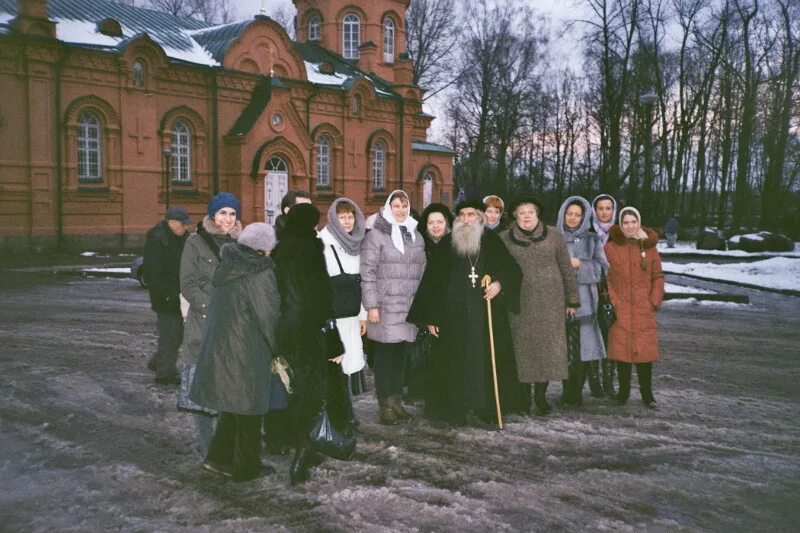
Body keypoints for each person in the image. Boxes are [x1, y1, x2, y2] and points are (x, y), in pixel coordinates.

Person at [409, 200, 524, 425]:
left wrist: (499, 284)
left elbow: (512, 270)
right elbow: (432, 283)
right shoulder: (447, 244)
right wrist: (431, 317)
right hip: (453, 317)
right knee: (453, 362)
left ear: (480, 217)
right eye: (462, 215)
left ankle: (485, 408)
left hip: (484, 315)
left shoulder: (492, 241)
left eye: (471, 215)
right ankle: (454, 410)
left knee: (484, 360)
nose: (466, 219)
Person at [189, 223, 280, 481]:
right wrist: (278, 347)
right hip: (247, 348)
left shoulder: (227, 265)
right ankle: (247, 467)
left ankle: (218, 458)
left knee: (233, 404)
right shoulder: (260, 273)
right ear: (263, 249)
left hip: (223, 345)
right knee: (250, 407)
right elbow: (268, 316)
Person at [272, 203, 349, 485]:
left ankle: (288, 440)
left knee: (289, 387)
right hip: (308, 330)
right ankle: (304, 450)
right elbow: (319, 293)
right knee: (311, 389)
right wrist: (333, 338)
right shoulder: (311, 248)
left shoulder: (280, 250)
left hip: (285, 330)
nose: (318, 228)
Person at [500, 195, 580, 416]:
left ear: (537, 215)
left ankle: (540, 397)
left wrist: (572, 300)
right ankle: (524, 398)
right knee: (523, 351)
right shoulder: (504, 238)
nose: (526, 216)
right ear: (515, 216)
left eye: (531, 212)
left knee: (546, 351)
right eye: (522, 212)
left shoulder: (554, 235)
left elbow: (566, 268)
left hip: (550, 303)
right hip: (519, 304)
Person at [179, 192, 241, 455]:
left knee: (230, 390)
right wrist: (213, 306)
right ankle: (208, 449)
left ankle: (225, 446)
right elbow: (188, 284)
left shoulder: (241, 244)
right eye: (222, 213)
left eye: (232, 213)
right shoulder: (196, 243)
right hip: (203, 326)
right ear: (212, 215)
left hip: (233, 328)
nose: (227, 219)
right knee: (203, 391)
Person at [360, 190, 426, 425]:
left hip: (408, 307)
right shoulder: (375, 235)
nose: (400, 210)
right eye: (396, 205)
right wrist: (371, 306)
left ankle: (396, 402)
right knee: (385, 358)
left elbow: (422, 270)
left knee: (400, 357)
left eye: (404, 205)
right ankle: (385, 405)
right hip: (385, 307)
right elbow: (366, 273)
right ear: (388, 207)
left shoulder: (415, 235)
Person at [604, 207, 664, 408]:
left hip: (643, 308)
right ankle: (623, 392)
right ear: (621, 225)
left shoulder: (649, 248)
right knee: (621, 354)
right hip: (619, 307)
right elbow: (606, 278)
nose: (630, 226)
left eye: (633, 222)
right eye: (626, 222)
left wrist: (654, 300)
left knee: (644, 354)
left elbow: (658, 276)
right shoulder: (610, 248)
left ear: (639, 223)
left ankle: (648, 395)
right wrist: (612, 299)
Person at [556, 196, 609, 405]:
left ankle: (575, 391)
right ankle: (565, 388)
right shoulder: (554, 237)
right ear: (563, 213)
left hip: (585, 302)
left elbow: (602, 269)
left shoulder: (592, 239)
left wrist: (579, 264)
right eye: (569, 213)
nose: (573, 218)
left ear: (584, 216)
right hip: (558, 301)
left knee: (582, 348)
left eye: (577, 214)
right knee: (563, 348)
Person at [318, 198, 369, 402]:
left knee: (351, 363)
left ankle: (347, 413)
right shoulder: (323, 243)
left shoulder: (358, 243)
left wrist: (363, 315)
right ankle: (333, 418)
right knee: (334, 364)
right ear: (333, 218)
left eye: (350, 217)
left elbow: (363, 283)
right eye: (342, 217)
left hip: (352, 314)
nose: (347, 222)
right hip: (333, 317)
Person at [404, 203, 454, 406]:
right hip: (424, 302)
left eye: (440, 222)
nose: (436, 226)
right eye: (431, 222)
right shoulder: (421, 246)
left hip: (450, 304)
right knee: (421, 349)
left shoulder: (455, 244)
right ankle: (418, 390)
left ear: (447, 224)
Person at [144, 206, 193, 385]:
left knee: (177, 334)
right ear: (171, 222)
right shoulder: (157, 240)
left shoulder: (181, 237)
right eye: (183, 224)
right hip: (165, 297)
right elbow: (152, 273)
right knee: (171, 335)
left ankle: (158, 361)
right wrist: (166, 294)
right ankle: (164, 374)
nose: (186, 228)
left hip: (178, 294)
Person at [591, 193, 618, 398]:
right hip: (592, 291)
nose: (604, 212)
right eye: (600, 208)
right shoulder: (589, 231)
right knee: (592, 337)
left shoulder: (619, 233)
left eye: (608, 208)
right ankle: (594, 382)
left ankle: (609, 380)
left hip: (614, 294)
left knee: (611, 339)